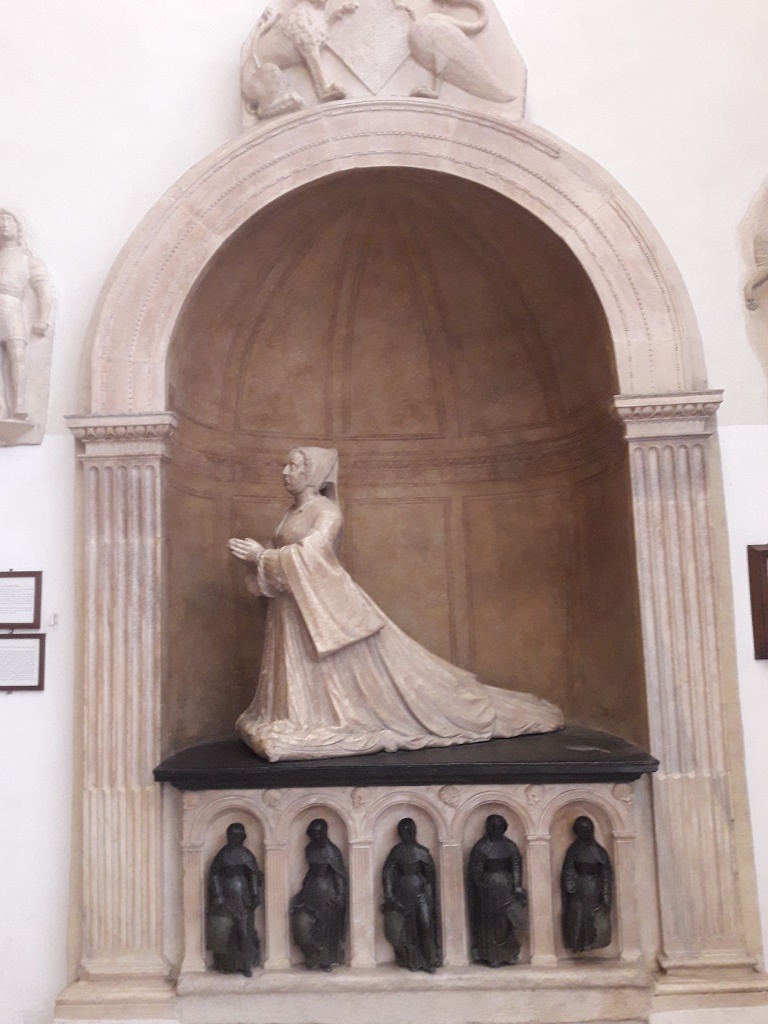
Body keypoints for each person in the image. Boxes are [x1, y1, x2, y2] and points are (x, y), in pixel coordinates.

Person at [228, 446, 563, 761]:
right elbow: (286, 557)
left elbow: (313, 554)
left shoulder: (327, 512)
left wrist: (263, 557)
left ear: (311, 473)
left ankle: (319, 719)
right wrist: (259, 557)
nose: (285, 472)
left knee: (362, 676)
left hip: (325, 610)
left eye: (293, 465)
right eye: (286, 465)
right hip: (295, 609)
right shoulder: (290, 513)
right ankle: (299, 716)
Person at [0, 209, 51, 420]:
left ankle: (19, 403)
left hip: (12, 306)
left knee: (17, 354)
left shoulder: (28, 260)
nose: (4, 224)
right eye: (1, 220)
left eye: (8, 220)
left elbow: (44, 292)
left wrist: (43, 319)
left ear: (18, 227)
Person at [381, 817, 442, 972]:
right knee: (406, 928)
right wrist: (389, 895)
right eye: (404, 832)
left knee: (425, 924)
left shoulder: (422, 851)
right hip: (402, 893)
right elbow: (388, 872)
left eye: (409, 831)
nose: (407, 834)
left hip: (421, 894)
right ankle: (413, 960)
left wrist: (430, 896)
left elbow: (430, 876)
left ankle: (429, 960)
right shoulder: (397, 851)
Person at [467, 814, 527, 966]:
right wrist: (483, 885)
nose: (498, 830)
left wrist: (517, 885)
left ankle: (509, 953)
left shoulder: (510, 846)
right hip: (488, 888)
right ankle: (491, 955)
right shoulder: (482, 847)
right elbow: (476, 870)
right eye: (495, 828)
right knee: (491, 922)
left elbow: (516, 867)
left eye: (500, 828)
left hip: (507, 886)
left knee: (508, 920)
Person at [206, 822, 263, 976]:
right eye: (232, 836)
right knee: (225, 931)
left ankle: (246, 964)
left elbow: (253, 875)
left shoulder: (246, 854)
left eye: (237, 836)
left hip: (243, 895)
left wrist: (255, 895)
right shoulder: (223, 854)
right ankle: (227, 964)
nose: (235, 839)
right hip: (226, 893)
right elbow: (214, 873)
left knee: (245, 932)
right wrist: (218, 895)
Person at [290, 818, 347, 971]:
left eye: (317, 833)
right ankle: (313, 956)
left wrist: (340, 895)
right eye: (312, 833)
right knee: (305, 922)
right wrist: (304, 887)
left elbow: (339, 874)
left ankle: (326, 959)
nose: (315, 836)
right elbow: (311, 870)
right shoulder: (309, 848)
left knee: (325, 925)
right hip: (311, 888)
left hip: (326, 890)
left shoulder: (332, 851)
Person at [560, 815, 613, 954]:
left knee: (592, 916)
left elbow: (606, 874)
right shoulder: (573, 850)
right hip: (578, 889)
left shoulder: (599, 851)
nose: (584, 833)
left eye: (587, 830)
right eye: (581, 830)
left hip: (594, 888)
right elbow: (568, 869)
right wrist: (570, 884)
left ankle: (593, 942)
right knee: (577, 917)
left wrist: (606, 895)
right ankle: (578, 943)